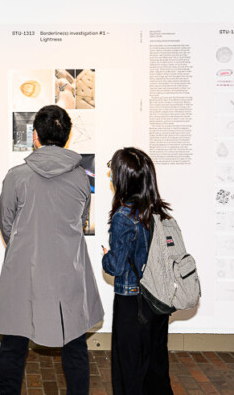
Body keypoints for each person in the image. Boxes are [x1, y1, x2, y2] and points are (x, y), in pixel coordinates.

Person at [0, 105, 104, 395]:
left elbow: (6, 223)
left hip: (23, 270)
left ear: (35, 136)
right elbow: (81, 222)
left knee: (13, 347)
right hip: (67, 270)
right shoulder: (82, 178)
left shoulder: (17, 176)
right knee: (75, 346)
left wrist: (25, 244)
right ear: (66, 137)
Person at [102, 147, 173, 395]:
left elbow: (116, 265)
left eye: (112, 167)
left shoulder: (124, 216)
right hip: (158, 302)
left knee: (128, 371)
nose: (110, 172)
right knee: (155, 370)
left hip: (133, 303)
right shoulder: (159, 211)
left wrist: (105, 257)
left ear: (124, 178)